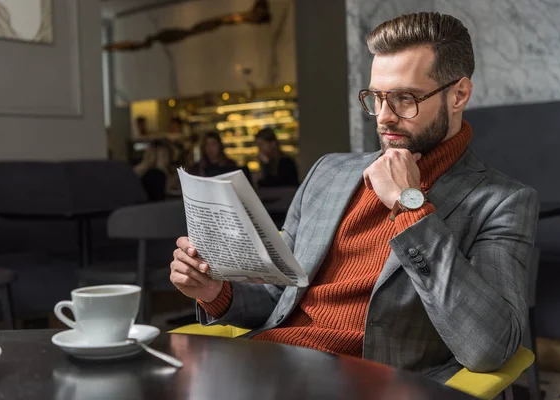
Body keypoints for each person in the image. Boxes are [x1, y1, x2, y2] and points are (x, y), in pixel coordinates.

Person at [169, 12, 539, 383]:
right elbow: (277, 299)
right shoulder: (328, 172)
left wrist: (409, 205)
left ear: (459, 95)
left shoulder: (502, 201)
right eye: (376, 97)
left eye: (404, 99)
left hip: (365, 380)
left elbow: (490, 347)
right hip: (270, 361)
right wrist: (216, 291)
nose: (383, 118)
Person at [187, 132, 252, 182]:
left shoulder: (230, 165)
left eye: (213, 144)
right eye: (207, 145)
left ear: (220, 146)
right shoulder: (197, 168)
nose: (210, 148)